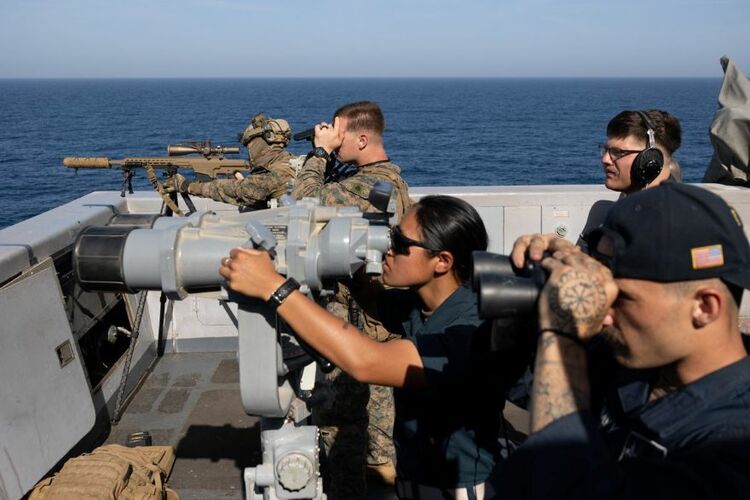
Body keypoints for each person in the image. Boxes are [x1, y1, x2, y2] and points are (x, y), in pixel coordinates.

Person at [219, 195, 530, 499]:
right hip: (416, 480)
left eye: (400, 243)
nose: (388, 249)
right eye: (391, 236)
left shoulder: (469, 328)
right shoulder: (423, 303)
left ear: (442, 261)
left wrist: (273, 287)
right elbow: (375, 301)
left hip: (462, 489)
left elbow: (366, 361)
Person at [499, 182, 750, 499]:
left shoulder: (733, 443)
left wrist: (562, 336)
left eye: (622, 298)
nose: (602, 314)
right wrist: (536, 292)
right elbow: (525, 389)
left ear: (705, 307)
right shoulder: (633, 360)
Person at [292, 101, 411, 495]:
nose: (334, 142)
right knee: (378, 410)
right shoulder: (386, 179)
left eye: (339, 136)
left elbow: (304, 203)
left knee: (340, 416)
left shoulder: (366, 186)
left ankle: (348, 488)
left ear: (361, 139)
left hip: (360, 318)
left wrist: (319, 153)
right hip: (376, 315)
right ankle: (381, 476)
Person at [165, 114, 299, 209]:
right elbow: (258, 193)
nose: (250, 151)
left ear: (263, 142)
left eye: (250, 144)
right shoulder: (290, 163)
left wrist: (187, 186)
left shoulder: (275, 174)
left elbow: (239, 191)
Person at [600, 109, 682, 193]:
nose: (605, 160)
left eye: (618, 152)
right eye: (606, 150)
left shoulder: (669, 201)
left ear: (650, 160)